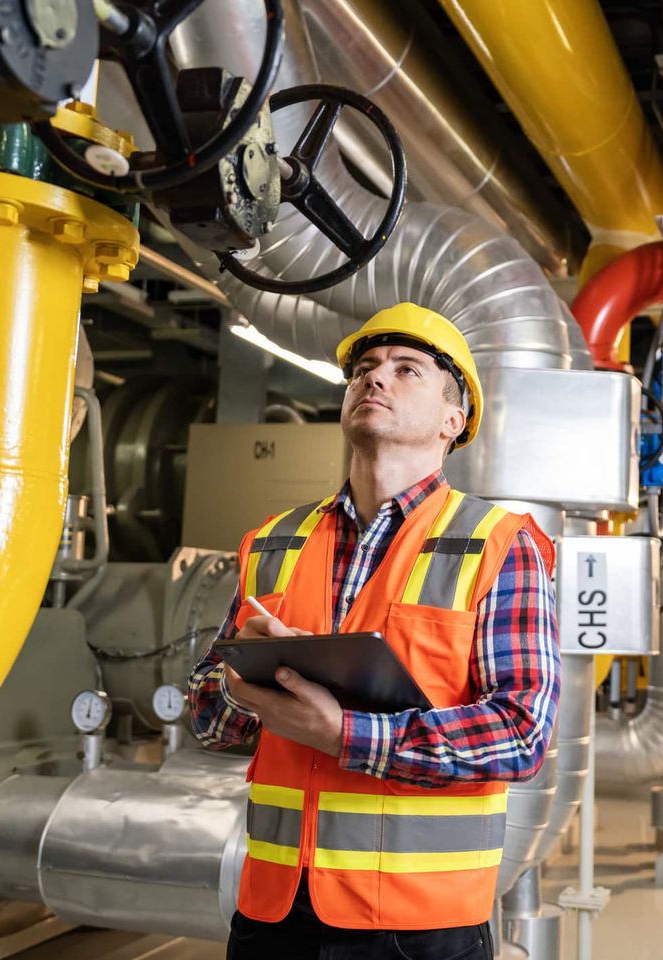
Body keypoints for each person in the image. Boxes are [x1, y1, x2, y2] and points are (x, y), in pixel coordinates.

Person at [188, 302, 560, 960]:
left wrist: (345, 734)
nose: (375, 379)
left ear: (455, 420)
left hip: (419, 925)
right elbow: (206, 718)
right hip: (273, 912)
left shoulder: (498, 545)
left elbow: (522, 730)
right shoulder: (273, 540)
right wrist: (239, 692)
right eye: (363, 369)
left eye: (406, 369)